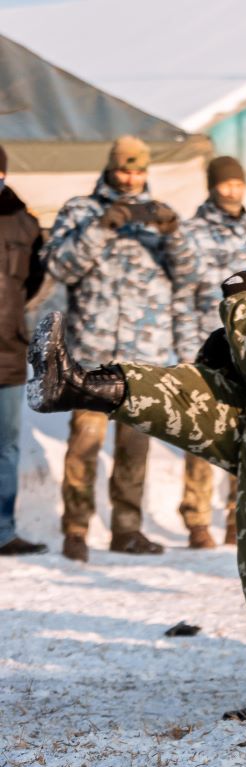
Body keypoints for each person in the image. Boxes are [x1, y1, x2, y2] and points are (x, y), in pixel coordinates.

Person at [28, 210, 246, 720]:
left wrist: (241, 303)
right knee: (188, 390)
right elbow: (239, 372)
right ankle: (80, 386)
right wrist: (222, 353)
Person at [42, 136, 194, 562]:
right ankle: (75, 530)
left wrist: (173, 232)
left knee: (135, 446)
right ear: (110, 168)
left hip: (142, 356)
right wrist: (102, 226)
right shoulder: (80, 211)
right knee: (85, 443)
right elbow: (60, 267)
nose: (131, 179)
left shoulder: (161, 215)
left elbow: (190, 273)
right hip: (93, 352)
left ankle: (127, 529)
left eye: (139, 171)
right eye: (125, 170)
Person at [173, 156, 246, 549]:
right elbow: (181, 294)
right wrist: (187, 347)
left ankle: (239, 517)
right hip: (205, 347)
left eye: (238, 183)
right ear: (211, 185)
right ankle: (197, 519)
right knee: (203, 434)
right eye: (225, 183)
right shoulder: (190, 231)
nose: (232, 189)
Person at [0, 144, 48, 557]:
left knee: (7, 444)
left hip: (8, 350)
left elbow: (34, 281)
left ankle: (3, 531)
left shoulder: (25, 223)